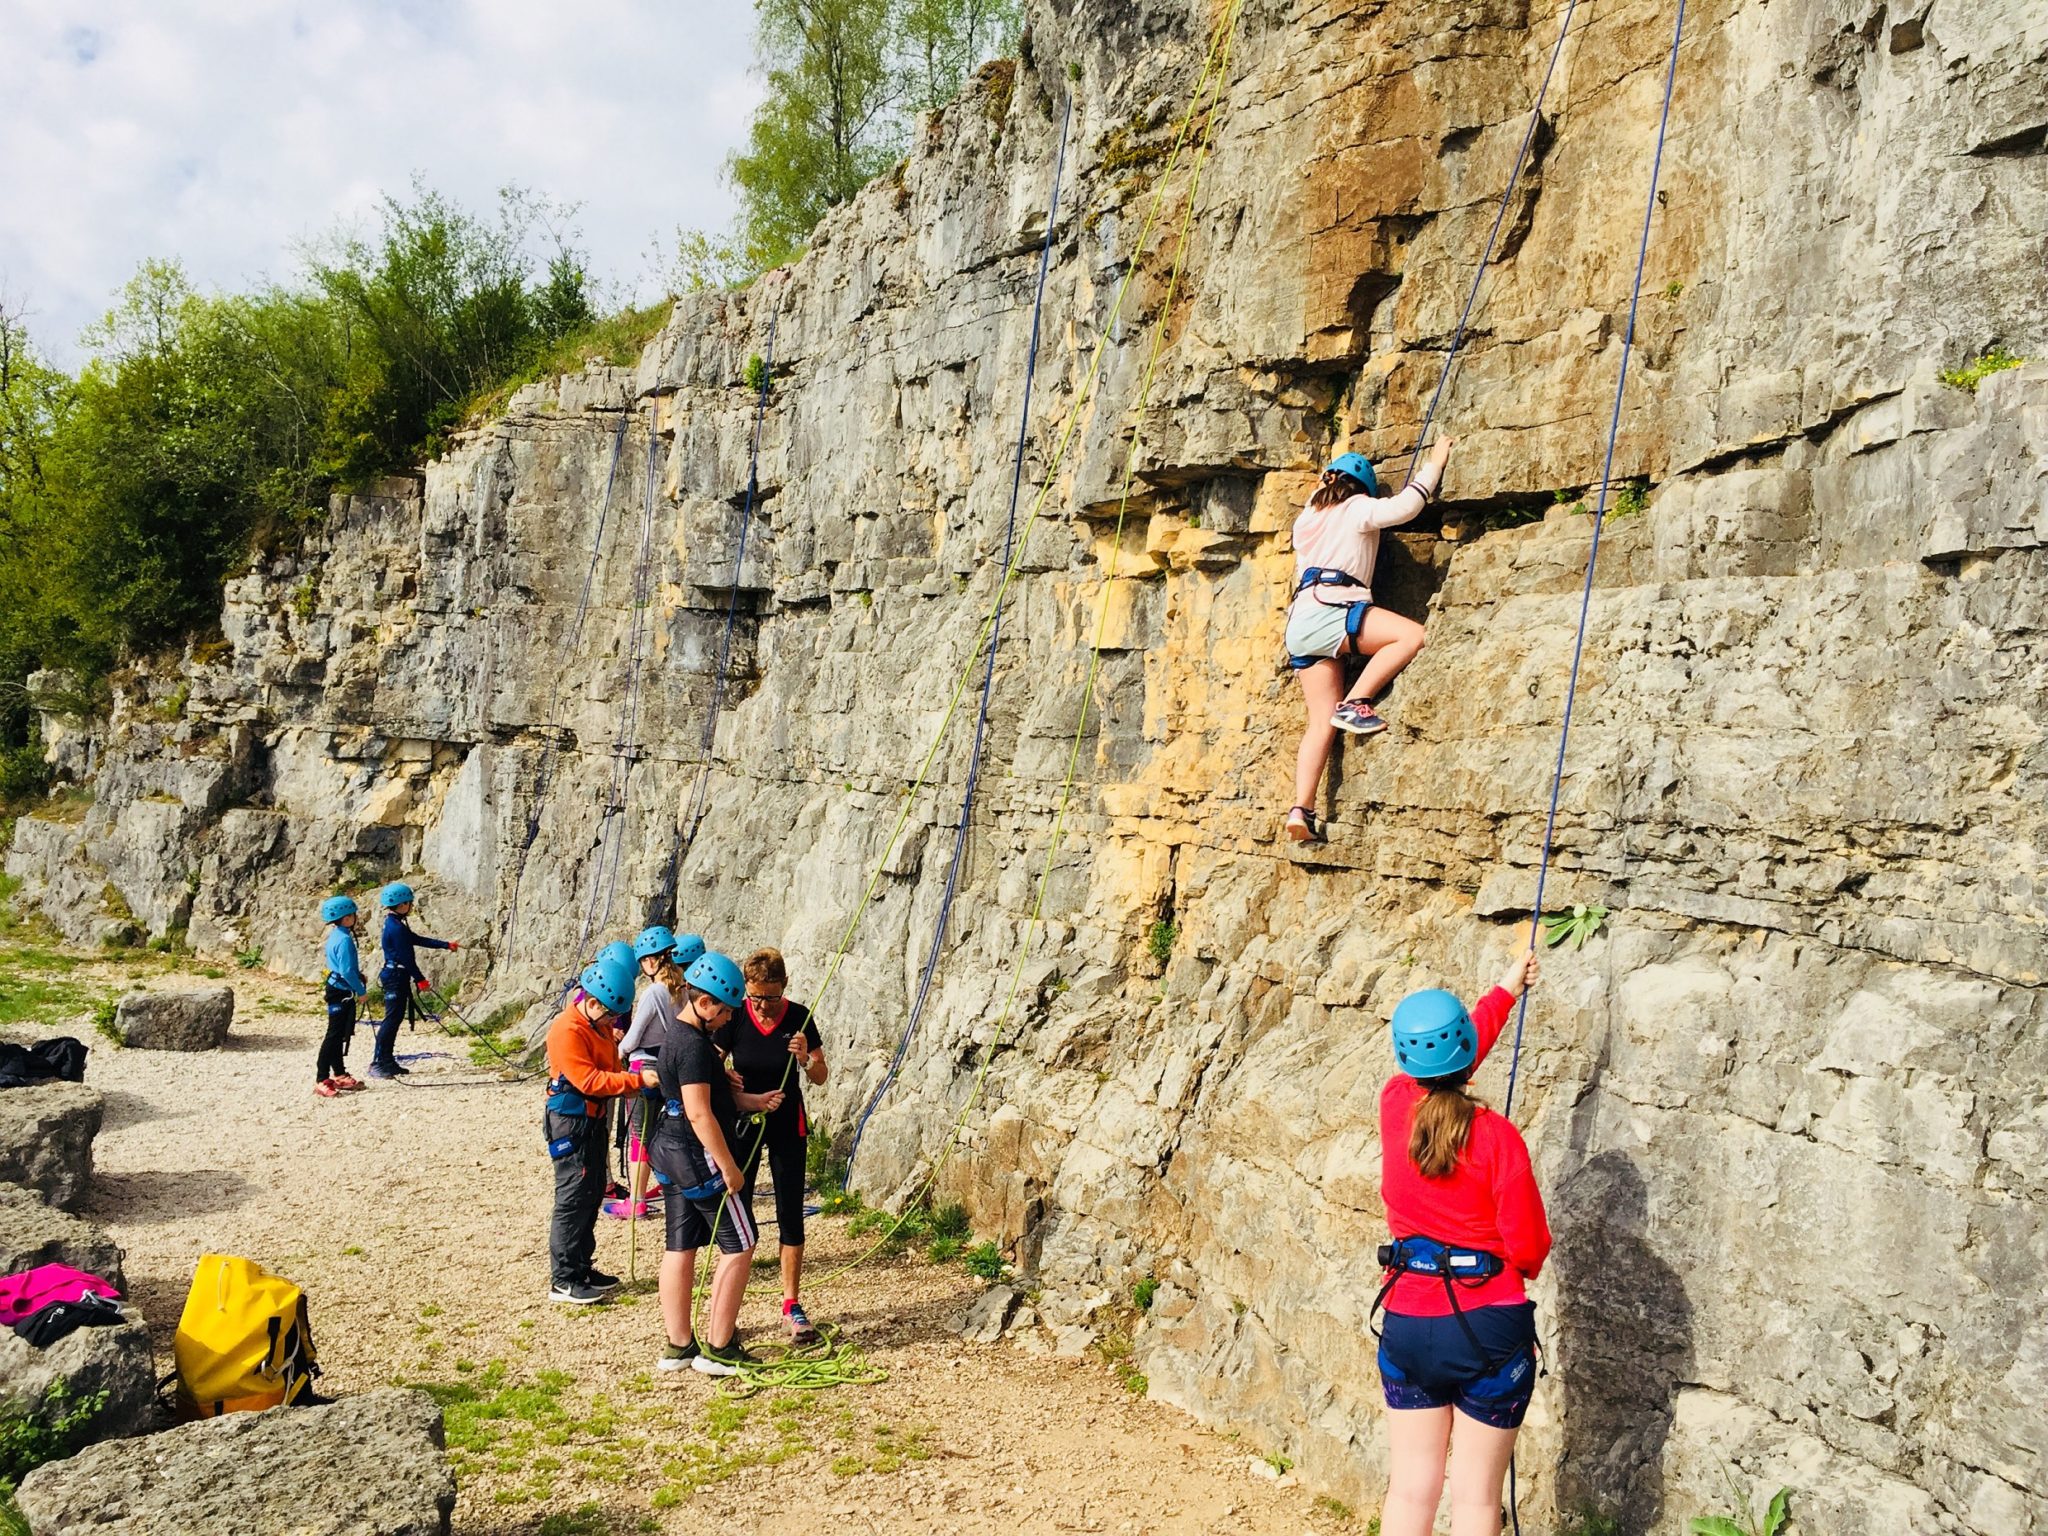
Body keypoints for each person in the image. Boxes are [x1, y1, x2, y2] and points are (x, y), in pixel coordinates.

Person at [1375, 947, 1548, 1536]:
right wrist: (1504, 992)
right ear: (1466, 1055)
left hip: (1406, 1318)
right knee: (1475, 1500)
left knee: (1410, 1490)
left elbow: (1447, 1063)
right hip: (1487, 1326)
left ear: (1404, 1056)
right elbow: (1528, 1247)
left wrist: (1502, 991)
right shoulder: (1498, 1138)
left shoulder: (1395, 1105)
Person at [1283, 439, 1452, 844]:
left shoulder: (1306, 519)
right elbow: (1405, 507)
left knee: (1318, 723)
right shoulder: (1357, 508)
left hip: (1300, 623)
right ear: (1361, 488)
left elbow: (1324, 495)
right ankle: (1356, 702)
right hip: (1334, 608)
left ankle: (1300, 810)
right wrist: (1435, 461)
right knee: (1411, 635)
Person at [648, 951, 783, 1376]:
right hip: (695, 1152)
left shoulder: (681, 1037)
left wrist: (750, 1101)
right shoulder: (692, 1047)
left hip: (667, 1148)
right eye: (724, 1010)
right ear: (705, 1004)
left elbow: (706, 1099)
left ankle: (679, 1344)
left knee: (680, 1244)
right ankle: (719, 1346)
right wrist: (729, 1167)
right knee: (741, 1243)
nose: (728, 1019)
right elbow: (699, 1112)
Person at [717, 947, 828, 1345]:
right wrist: (725, 1076)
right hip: (745, 1120)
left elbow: (820, 1075)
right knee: (738, 1210)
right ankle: (729, 1310)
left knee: (789, 1211)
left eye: (771, 997)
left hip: (786, 1120)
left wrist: (805, 1059)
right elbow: (711, 1061)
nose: (763, 1006)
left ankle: (791, 1305)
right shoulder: (735, 1015)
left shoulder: (799, 1017)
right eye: (756, 997)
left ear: (784, 987)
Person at [542, 946, 643, 1304]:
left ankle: (582, 1266)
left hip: (592, 1119)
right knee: (572, 1195)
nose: (615, 1023)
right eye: (612, 1015)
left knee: (592, 1190)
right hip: (571, 1122)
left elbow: (610, 1070)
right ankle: (564, 1278)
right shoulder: (567, 1030)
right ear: (597, 1003)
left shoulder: (596, 1027)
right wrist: (638, 1081)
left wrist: (627, 1076)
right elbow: (590, 1081)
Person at [612, 928, 707, 1219]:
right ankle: (678, 1187)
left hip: (643, 1067)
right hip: (669, 1068)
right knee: (661, 1132)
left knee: (638, 1136)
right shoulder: (681, 989)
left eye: (643, 961)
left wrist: (615, 1056)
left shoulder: (654, 992)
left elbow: (632, 1038)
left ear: (651, 962)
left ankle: (636, 1201)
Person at [369, 882, 458, 1078]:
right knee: (391, 1019)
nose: (411, 906)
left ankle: (387, 1060)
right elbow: (406, 958)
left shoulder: (394, 924)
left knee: (395, 1018)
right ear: (401, 905)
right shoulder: (397, 928)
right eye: (409, 903)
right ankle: (379, 1062)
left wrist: (445, 945)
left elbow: (416, 939)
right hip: (396, 975)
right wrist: (420, 980)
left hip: (395, 974)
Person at [315, 896, 367, 1097]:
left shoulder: (337, 935)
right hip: (341, 991)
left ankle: (339, 1073)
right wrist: (361, 992)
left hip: (337, 987)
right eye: (353, 915)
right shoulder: (345, 940)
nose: (355, 918)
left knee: (340, 1034)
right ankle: (321, 1078)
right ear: (346, 918)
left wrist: (357, 975)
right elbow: (346, 970)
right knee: (334, 1034)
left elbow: (344, 967)